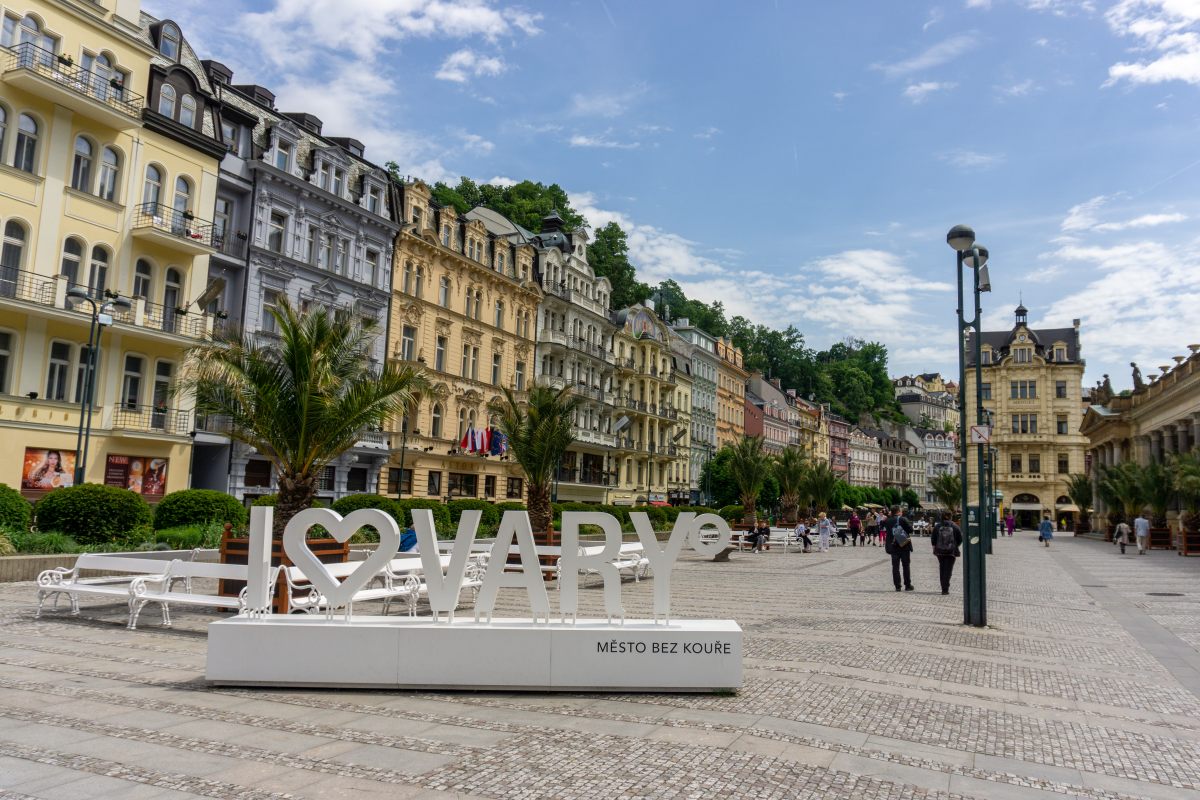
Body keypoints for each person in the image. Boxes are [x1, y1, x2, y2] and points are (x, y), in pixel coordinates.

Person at [930, 511, 963, 595]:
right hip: (951, 552)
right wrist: (955, 546)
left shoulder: (937, 526)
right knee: (948, 570)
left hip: (940, 551)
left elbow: (933, 539)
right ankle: (945, 589)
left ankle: (943, 586)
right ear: (951, 516)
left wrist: (935, 548)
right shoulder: (955, 526)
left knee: (942, 568)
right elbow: (960, 539)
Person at [884, 505, 915, 591]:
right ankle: (907, 585)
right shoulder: (903, 519)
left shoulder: (888, 520)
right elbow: (910, 530)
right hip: (904, 545)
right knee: (906, 566)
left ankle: (897, 586)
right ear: (898, 511)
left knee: (895, 567)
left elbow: (883, 527)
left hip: (893, 546)